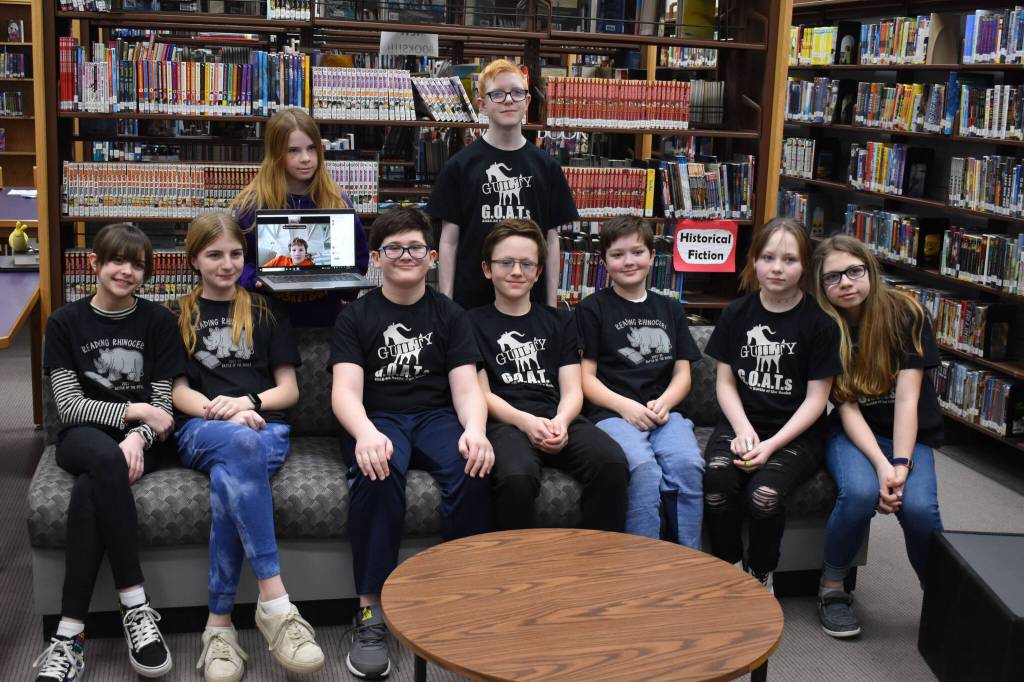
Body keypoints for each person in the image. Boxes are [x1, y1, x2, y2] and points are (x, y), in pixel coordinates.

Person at [330, 208, 493, 679]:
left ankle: (461, 598)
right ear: (377, 258)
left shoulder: (449, 313)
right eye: (395, 248)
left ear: (433, 256)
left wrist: (476, 432)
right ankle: (370, 611)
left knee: (474, 466)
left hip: (435, 417)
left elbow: (467, 389)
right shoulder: (356, 316)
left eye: (416, 247)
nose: (407, 256)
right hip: (377, 417)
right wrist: (364, 433)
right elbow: (344, 391)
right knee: (377, 473)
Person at [170, 212, 324, 680]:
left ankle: (218, 628)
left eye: (235, 254)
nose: (226, 263)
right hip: (201, 429)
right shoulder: (178, 315)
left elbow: (288, 391)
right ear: (194, 259)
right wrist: (228, 414)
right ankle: (275, 604)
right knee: (238, 445)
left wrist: (246, 402)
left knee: (232, 474)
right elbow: (178, 392)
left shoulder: (265, 311)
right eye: (214, 255)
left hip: (264, 429)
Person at [35, 223, 181, 681]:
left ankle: (68, 634)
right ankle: (136, 604)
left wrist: (138, 437)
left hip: (142, 444)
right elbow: (70, 406)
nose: (127, 271)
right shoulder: (64, 322)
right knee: (101, 458)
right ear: (94, 264)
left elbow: (163, 410)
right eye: (117, 260)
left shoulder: (159, 322)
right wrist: (133, 413)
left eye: (137, 264)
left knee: (89, 490)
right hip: (80, 436)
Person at [811, 234, 943, 638]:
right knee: (860, 493)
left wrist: (900, 464)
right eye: (833, 277)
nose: (846, 283)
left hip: (909, 434)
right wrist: (882, 465)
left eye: (854, 271)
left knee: (920, 510)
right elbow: (846, 405)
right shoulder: (822, 325)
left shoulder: (907, 313)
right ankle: (832, 588)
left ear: (870, 269)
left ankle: (941, 596)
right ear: (821, 286)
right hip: (854, 434)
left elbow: (907, 399)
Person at [701, 217, 842, 592]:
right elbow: (726, 383)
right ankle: (728, 567)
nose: (777, 268)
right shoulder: (736, 313)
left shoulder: (820, 324)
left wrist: (771, 445)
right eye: (768, 257)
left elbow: (818, 399)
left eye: (790, 260)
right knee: (716, 483)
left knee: (763, 495)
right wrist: (744, 430)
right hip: (741, 422)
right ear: (754, 261)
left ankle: (760, 573)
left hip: (796, 432)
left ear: (805, 266)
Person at [468, 218, 629, 531]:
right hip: (506, 422)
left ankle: (598, 563)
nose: (517, 271)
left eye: (527, 264)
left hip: (558, 416)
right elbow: (481, 394)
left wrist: (561, 421)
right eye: (506, 262)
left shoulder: (560, 321)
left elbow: (572, 389)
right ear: (487, 269)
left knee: (612, 463)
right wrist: (526, 422)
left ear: (539, 272)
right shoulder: (470, 323)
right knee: (516, 477)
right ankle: (520, 572)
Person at [576, 216, 704, 548]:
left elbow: (682, 373)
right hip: (612, 415)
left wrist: (666, 402)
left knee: (687, 465)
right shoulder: (592, 309)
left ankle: (686, 557)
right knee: (643, 470)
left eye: (637, 252)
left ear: (651, 255)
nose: (628, 261)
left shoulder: (671, 309)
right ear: (604, 261)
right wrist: (625, 407)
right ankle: (642, 559)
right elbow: (584, 378)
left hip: (664, 413)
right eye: (618, 254)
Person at [426, 59, 579, 309]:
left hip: (531, 306)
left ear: (527, 102)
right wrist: (447, 307)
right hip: (471, 306)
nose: (508, 100)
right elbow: (449, 241)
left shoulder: (547, 167)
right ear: (482, 105)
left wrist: (551, 309)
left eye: (517, 92)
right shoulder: (459, 166)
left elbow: (552, 241)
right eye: (497, 94)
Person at [231, 106, 369, 325]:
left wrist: (345, 284)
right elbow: (235, 260)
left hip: (325, 321)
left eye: (312, 148)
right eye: (293, 150)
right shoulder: (252, 205)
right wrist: (252, 279)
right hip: (267, 322)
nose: (305, 158)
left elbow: (359, 258)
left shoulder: (337, 201)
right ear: (275, 154)